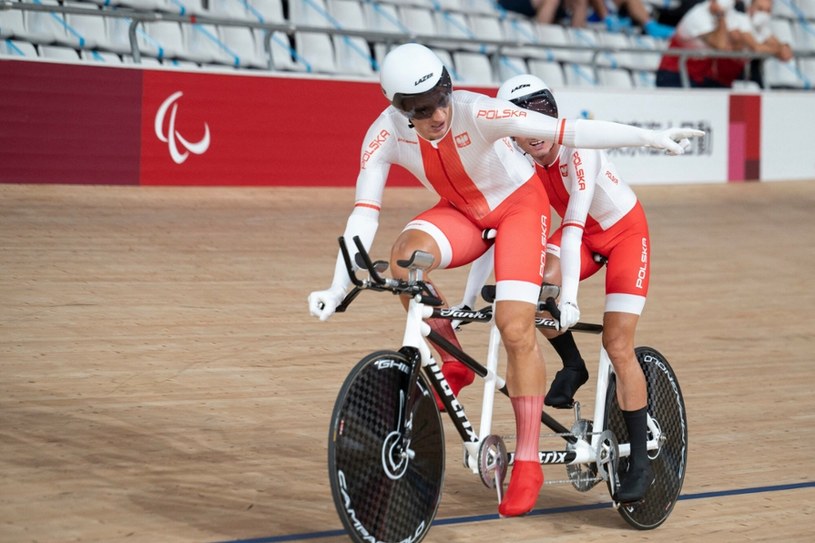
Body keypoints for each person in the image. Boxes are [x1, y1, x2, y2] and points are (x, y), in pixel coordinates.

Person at [307, 43, 702, 516]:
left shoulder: (481, 111)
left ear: (449, 86)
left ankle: (530, 461)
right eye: (419, 110)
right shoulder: (382, 135)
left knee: (515, 324)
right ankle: (451, 361)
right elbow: (363, 214)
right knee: (402, 260)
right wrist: (336, 286)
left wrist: (653, 139)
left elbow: (570, 131)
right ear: (398, 109)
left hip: (523, 210)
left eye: (440, 99)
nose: (435, 115)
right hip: (462, 213)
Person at [456, 73, 661, 504]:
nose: (534, 135)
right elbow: (497, 229)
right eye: (521, 126)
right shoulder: (518, 159)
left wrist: (569, 299)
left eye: (540, 119)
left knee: (618, 345)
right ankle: (573, 365)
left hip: (621, 235)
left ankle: (639, 460)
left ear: (553, 115)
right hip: (581, 237)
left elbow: (571, 228)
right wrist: (468, 298)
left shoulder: (579, 149)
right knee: (532, 284)